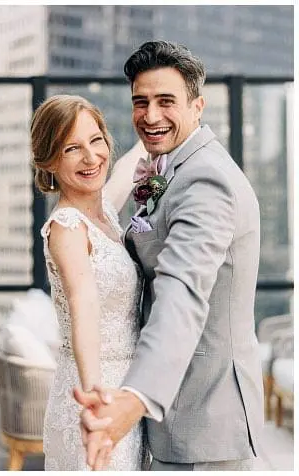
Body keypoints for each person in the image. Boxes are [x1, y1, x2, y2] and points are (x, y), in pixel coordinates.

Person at [76, 40, 263, 471]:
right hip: (180, 414)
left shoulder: (205, 183)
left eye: (166, 101)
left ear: (198, 106)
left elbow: (181, 293)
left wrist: (137, 395)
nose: (150, 115)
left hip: (204, 415)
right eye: (140, 102)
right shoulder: (174, 166)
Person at [31, 94, 144, 470]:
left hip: (126, 390)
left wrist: (161, 126)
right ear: (49, 161)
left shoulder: (102, 212)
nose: (91, 157)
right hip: (96, 388)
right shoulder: (67, 228)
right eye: (72, 149)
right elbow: (84, 309)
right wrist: (96, 395)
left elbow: (129, 168)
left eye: (96, 141)